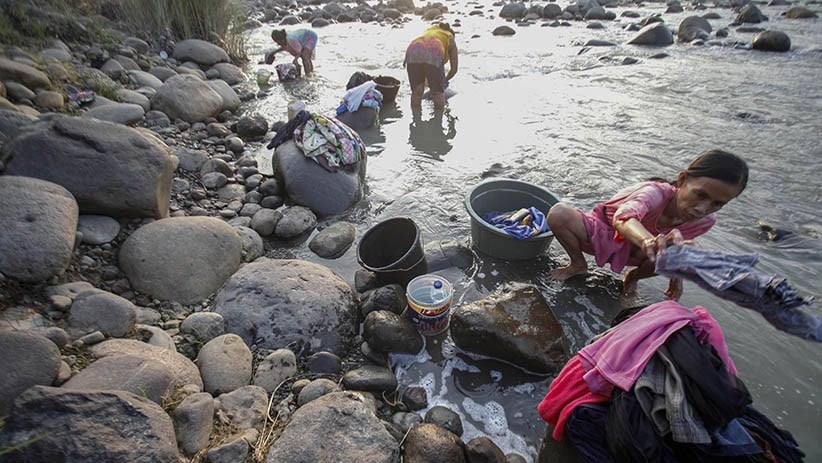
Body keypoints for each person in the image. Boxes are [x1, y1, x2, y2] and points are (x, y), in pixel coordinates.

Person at [547, 149, 749, 300]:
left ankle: (632, 278)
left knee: (682, 252)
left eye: (717, 204)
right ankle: (578, 264)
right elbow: (623, 217)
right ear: (682, 180)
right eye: (700, 195)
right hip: (602, 233)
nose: (702, 209)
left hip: (637, 254)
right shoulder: (655, 193)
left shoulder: (706, 221)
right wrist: (647, 240)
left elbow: (679, 247)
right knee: (559, 213)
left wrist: (676, 279)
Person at [404, 22, 458, 109]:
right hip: (435, 51)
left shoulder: (430, 31)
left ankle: (415, 117)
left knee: (416, 93)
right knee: (437, 93)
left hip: (413, 48)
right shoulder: (450, 37)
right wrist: (444, 81)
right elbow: (454, 69)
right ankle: (438, 117)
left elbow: (424, 63)